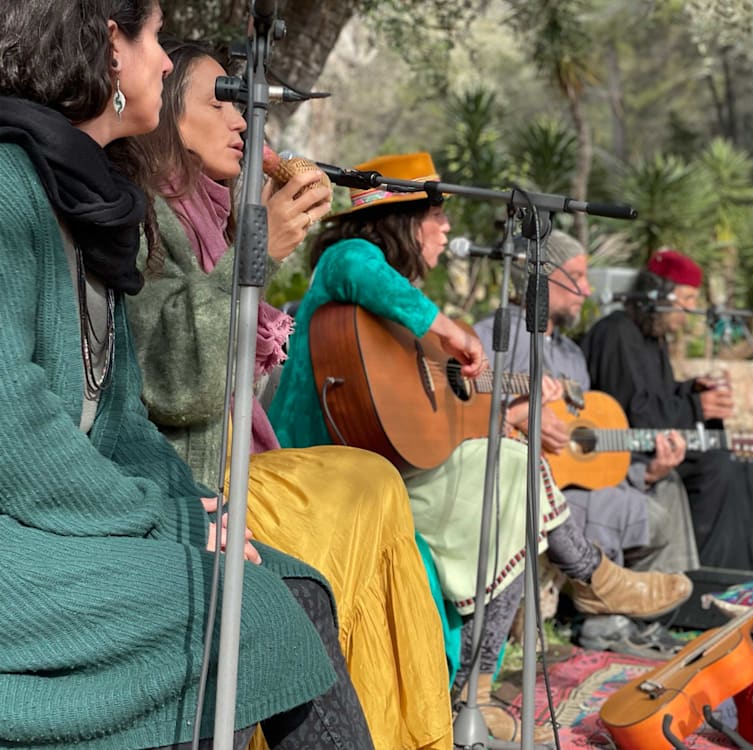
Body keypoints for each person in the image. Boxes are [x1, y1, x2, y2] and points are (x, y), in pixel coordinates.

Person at [0, 3, 376, 749]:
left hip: (62, 521)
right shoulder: (11, 186)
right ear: (107, 45)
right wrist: (159, 517)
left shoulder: (87, 204)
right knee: (253, 609)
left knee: (295, 580)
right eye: (151, 37)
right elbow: (15, 420)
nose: (165, 62)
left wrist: (205, 511)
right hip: (22, 538)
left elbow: (123, 425)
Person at [266, 152, 693, 742]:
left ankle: (487, 680)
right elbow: (360, 270)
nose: (447, 230)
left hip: (380, 462)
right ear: (405, 219)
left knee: (509, 467)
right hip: (322, 468)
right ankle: (585, 581)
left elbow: (433, 412)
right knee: (512, 468)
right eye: (438, 215)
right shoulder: (351, 261)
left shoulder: (396, 319)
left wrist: (515, 402)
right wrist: (447, 329)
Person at [126, 40, 451, 750]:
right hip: (180, 479)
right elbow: (179, 384)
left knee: (378, 488)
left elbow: (242, 390)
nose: (247, 118)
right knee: (367, 484)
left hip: (235, 456)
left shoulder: (217, 211)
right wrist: (258, 251)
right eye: (224, 97)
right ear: (161, 105)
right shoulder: (145, 213)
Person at [473, 230, 700, 654]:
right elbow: (463, 415)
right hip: (514, 490)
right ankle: (604, 621)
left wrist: (645, 471)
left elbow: (581, 454)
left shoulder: (573, 356)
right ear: (542, 279)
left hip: (568, 489)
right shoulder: (495, 335)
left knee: (659, 506)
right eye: (576, 276)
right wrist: (521, 419)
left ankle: (632, 621)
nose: (588, 289)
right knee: (650, 513)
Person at [582, 249, 753, 572]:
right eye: (686, 297)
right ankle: (707, 576)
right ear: (659, 294)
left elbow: (658, 394)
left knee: (743, 461)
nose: (691, 308)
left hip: (656, 441)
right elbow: (633, 413)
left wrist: (692, 389)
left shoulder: (653, 338)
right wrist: (694, 406)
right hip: (623, 454)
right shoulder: (616, 333)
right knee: (720, 466)